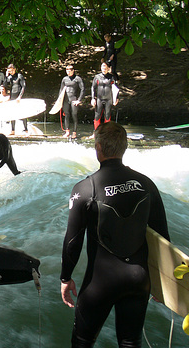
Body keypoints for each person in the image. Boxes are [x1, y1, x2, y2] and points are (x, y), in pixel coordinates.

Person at [60, 122, 169, 348]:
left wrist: (65, 277)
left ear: (98, 148)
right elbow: (162, 237)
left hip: (100, 282)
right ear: (125, 147)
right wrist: (162, 282)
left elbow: (73, 240)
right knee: (130, 342)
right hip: (139, 280)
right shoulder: (146, 184)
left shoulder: (85, 188)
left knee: (82, 342)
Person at [91, 62, 119, 131]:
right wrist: (93, 98)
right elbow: (93, 88)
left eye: (105, 68)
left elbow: (116, 88)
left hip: (108, 99)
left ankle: (107, 132)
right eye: (102, 68)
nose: (104, 69)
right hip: (99, 99)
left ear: (108, 69)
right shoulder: (97, 77)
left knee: (107, 115)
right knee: (97, 115)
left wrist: (117, 98)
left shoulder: (111, 77)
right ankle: (96, 132)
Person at [59, 65, 85, 139]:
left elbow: (82, 89)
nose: (68, 72)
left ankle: (74, 132)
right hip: (66, 100)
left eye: (70, 70)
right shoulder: (64, 79)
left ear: (73, 70)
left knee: (74, 115)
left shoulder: (77, 79)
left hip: (74, 99)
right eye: (67, 71)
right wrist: (60, 101)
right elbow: (61, 90)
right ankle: (67, 131)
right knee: (66, 115)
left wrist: (79, 100)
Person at [5, 64, 27, 135]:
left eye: (11, 70)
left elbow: (23, 86)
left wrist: (20, 97)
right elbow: (5, 85)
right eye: (9, 71)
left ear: (14, 69)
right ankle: (13, 130)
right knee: (12, 114)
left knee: (22, 114)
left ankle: (26, 129)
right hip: (12, 97)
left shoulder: (19, 76)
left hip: (19, 97)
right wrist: (6, 76)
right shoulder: (10, 77)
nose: (10, 72)